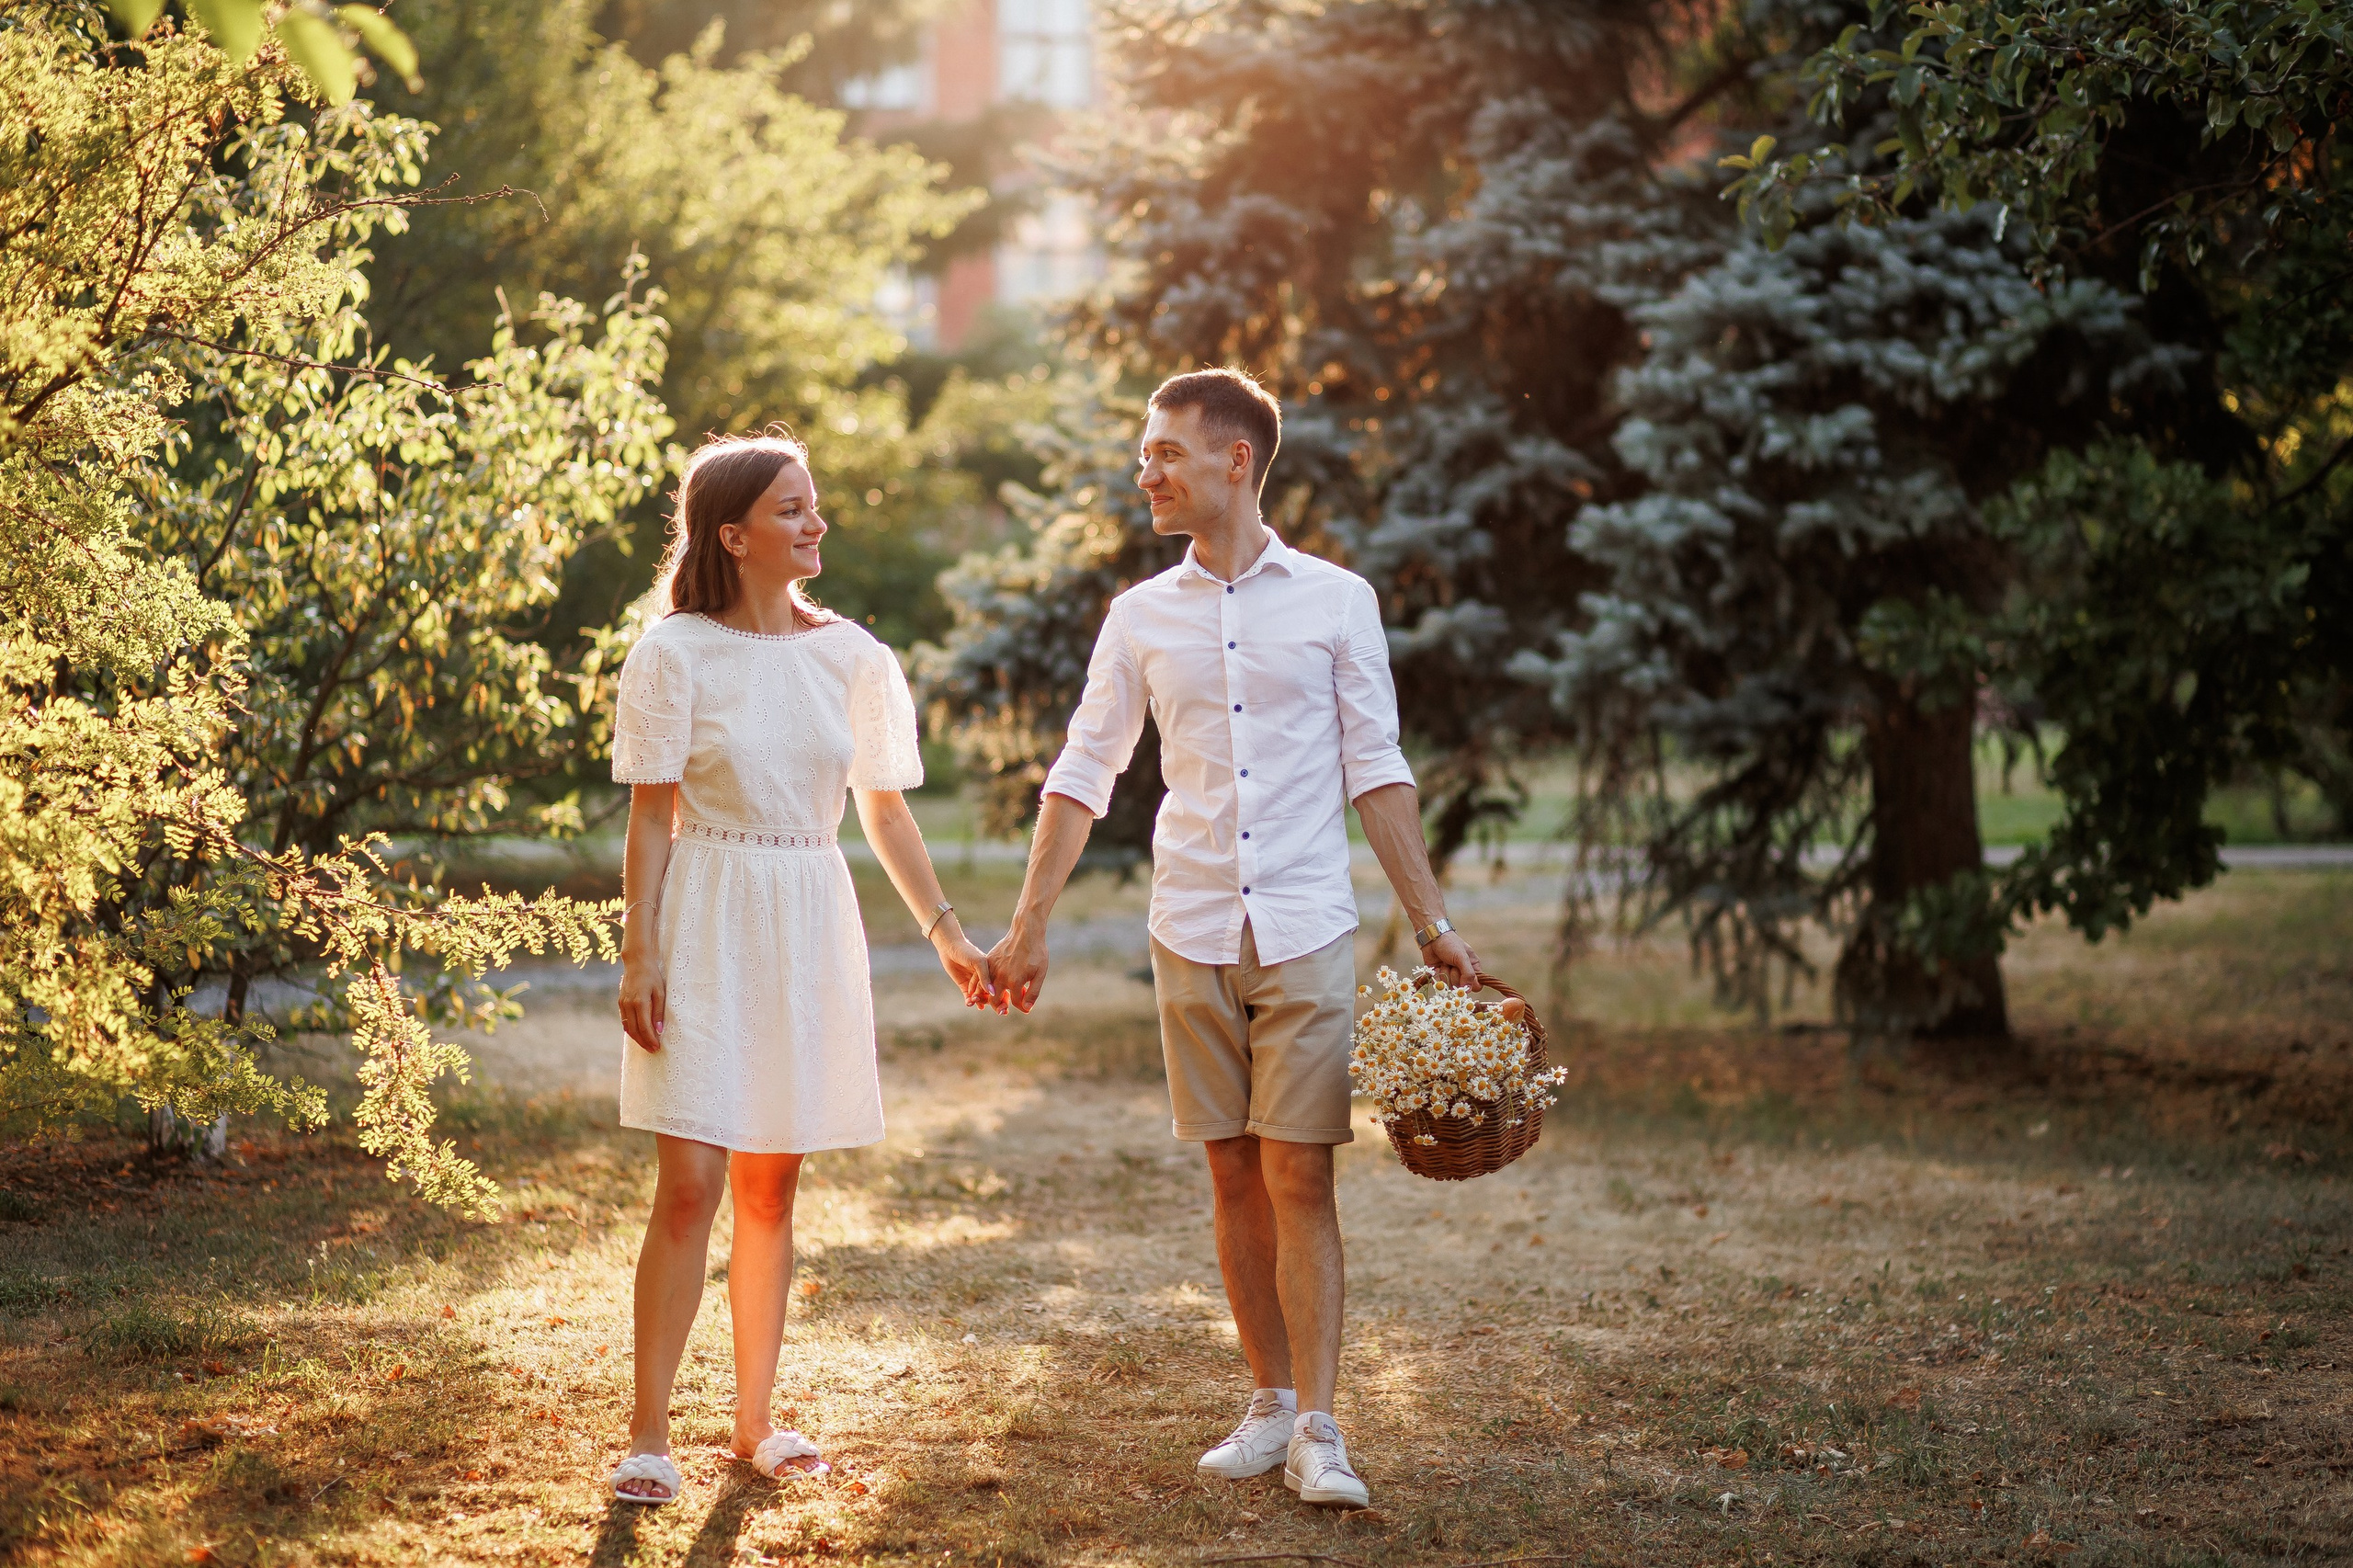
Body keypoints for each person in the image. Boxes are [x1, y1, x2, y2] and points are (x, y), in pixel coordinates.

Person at [985, 369, 1480, 1510]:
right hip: (1191, 922)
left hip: (1304, 921)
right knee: (1228, 1170)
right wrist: (1028, 923)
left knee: (1299, 1167)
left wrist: (1432, 922)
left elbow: (1378, 768)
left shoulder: (1337, 601)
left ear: (1235, 460)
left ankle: (1320, 1424)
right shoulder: (1138, 616)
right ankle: (1264, 1400)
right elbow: (1084, 770)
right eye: (1145, 451)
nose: (1145, 470)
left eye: (1165, 451)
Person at [605, 431, 995, 1505]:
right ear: (731, 535)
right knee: (687, 1185)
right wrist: (638, 949)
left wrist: (949, 931)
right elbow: (650, 815)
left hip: (810, 914)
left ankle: (754, 1422)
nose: (815, 521)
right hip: (707, 912)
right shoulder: (674, 650)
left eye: (813, 504)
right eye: (790, 508)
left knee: (772, 1184)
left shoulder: (855, 657)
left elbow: (884, 809)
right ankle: (647, 1433)